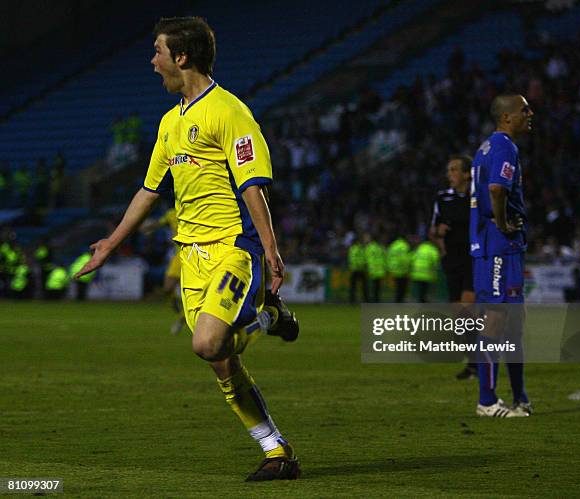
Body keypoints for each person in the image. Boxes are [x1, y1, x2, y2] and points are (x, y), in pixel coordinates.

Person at [74, 17, 300, 482]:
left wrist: (272, 251)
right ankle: (275, 450)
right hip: (192, 255)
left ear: (181, 57)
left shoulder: (229, 112)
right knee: (218, 359)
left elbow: (254, 186)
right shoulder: (170, 122)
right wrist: (110, 245)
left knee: (206, 341)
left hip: (233, 246)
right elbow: (149, 189)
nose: (152, 61)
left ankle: (272, 316)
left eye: (157, 51)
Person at [470, 94, 534, 417]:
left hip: (504, 247)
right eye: (524, 109)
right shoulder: (504, 146)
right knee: (496, 321)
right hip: (497, 244)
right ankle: (487, 400)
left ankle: (520, 397)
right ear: (507, 117)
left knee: (514, 323)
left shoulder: (486, 147)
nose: (530, 113)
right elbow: (497, 189)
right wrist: (502, 222)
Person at [430, 155, 477, 379]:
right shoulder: (442, 198)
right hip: (452, 261)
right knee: (460, 316)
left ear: (467, 174)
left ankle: (482, 360)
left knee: (469, 307)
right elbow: (433, 229)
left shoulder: (479, 196)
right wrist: (439, 238)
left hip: (473, 258)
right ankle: (474, 363)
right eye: (449, 170)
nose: (450, 174)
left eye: (454, 170)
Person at [141, 206, 186, 335]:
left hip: (194, 254)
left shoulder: (195, 208)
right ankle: (179, 312)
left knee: (192, 294)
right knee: (167, 288)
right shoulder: (171, 213)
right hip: (178, 256)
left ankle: (181, 319)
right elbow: (158, 223)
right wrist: (144, 227)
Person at [409, 237, 440, 303]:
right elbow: (435, 261)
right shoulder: (432, 249)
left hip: (417, 272)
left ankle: (421, 299)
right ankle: (423, 300)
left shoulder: (419, 248)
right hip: (426, 273)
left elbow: (412, 258)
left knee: (420, 288)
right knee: (424, 288)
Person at [386, 236, 411, 302]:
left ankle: (397, 300)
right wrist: (407, 269)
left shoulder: (393, 245)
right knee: (402, 287)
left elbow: (389, 257)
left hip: (394, 269)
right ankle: (400, 301)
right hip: (402, 270)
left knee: (397, 287)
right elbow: (404, 259)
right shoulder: (404, 246)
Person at [347, 233, 369, 303]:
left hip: (355, 269)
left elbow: (351, 259)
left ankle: (352, 300)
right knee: (363, 286)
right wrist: (363, 264)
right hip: (359, 269)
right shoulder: (360, 249)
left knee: (354, 286)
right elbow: (360, 259)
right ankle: (365, 299)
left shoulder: (353, 249)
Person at [365, 235, 386, 302]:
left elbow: (366, 258)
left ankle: (370, 299)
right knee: (377, 287)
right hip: (379, 270)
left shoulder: (369, 247)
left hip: (371, 269)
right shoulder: (380, 247)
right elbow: (385, 256)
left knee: (371, 287)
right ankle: (376, 300)